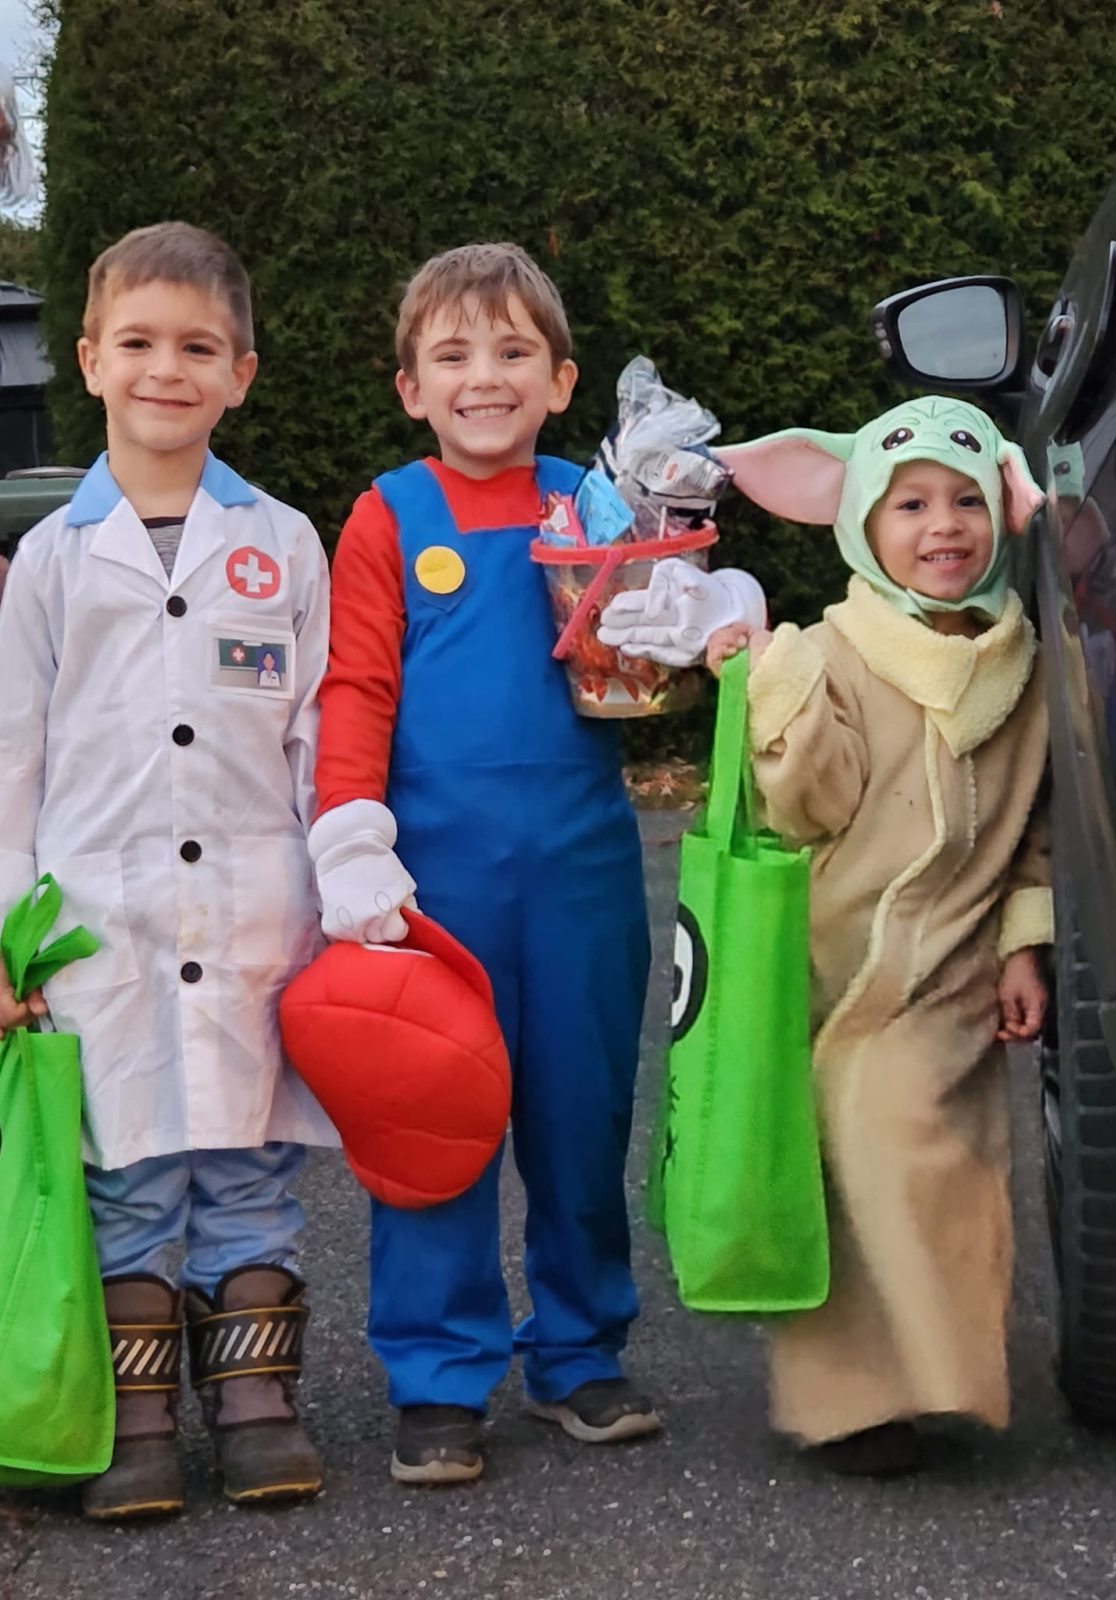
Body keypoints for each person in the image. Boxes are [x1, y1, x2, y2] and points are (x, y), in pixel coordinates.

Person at [308, 242, 664, 1485]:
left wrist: (693, 607)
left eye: (514, 351)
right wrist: (350, 837)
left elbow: (648, 652)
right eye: (452, 355)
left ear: (561, 379)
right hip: (431, 887)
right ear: (411, 387)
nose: (484, 376)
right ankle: (438, 1373)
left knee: (581, 1117)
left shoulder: (598, 503)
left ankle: (578, 1350)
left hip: (582, 872)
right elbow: (354, 688)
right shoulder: (386, 516)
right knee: (430, 1121)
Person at [0, 222, 336, 1519]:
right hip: (99, 931)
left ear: (242, 373)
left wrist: (349, 902)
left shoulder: (283, 544)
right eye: (137, 343)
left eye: (199, 347)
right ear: (87, 361)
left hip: (255, 920)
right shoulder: (47, 563)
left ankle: (258, 1405)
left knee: (251, 1171)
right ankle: (136, 1421)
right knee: (124, 1175)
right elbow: (11, 762)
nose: (167, 370)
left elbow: (316, 742)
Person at [704, 397, 1050, 1475]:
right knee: (852, 1167)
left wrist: (1024, 940)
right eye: (909, 504)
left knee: (948, 1166)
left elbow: (1036, 825)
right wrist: (774, 685)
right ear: (859, 518)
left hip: (952, 968)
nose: (941, 526)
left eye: (964, 500)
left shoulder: (1020, 659)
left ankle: (937, 1373)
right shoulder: (841, 648)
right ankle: (853, 1402)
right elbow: (807, 802)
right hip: (836, 968)